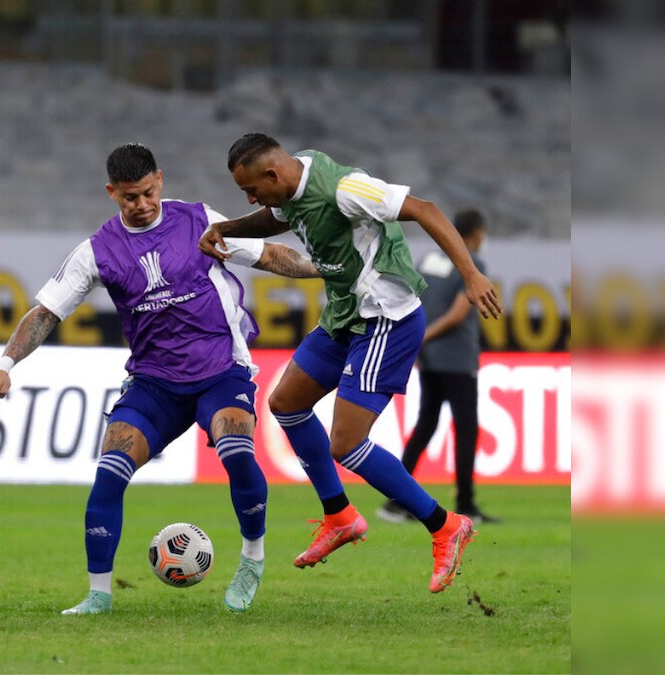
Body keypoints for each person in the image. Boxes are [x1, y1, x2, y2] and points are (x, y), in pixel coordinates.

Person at [0, 143, 323, 615]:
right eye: (128, 198)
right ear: (111, 193)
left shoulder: (200, 220)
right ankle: (98, 594)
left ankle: (252, 557)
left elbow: (269, 256)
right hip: (154, 383)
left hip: (220, 371)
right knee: (109, 473)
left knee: (236, 452)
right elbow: (46, 313)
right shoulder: (96, 251)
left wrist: (329, 269)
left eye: (146, 193)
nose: (140, 205)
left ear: (159, 180)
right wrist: (4, 366)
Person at [199, 133, 503, 593]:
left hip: (385, 319)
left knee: (346, 442)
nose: (250, 198)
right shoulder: (289, 182)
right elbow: (273, 216)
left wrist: (472, 274)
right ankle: (339, 515)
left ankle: (446, 526)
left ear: (273, 174)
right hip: (345, 315)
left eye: (252, 189)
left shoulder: (344, 189)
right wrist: (229, 227)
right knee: (286, 403)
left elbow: (425, 210)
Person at [379, 210, 500, 524]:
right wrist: (424, 338)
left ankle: (394, 502)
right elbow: (459, 315)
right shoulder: (472, 264)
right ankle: (466, 504)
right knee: (466, 429)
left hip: (430, 359)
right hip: (457, 358)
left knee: (426, 425)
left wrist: (417, 340)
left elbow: (411, 300)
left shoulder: (429, 260)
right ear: (476, 233)